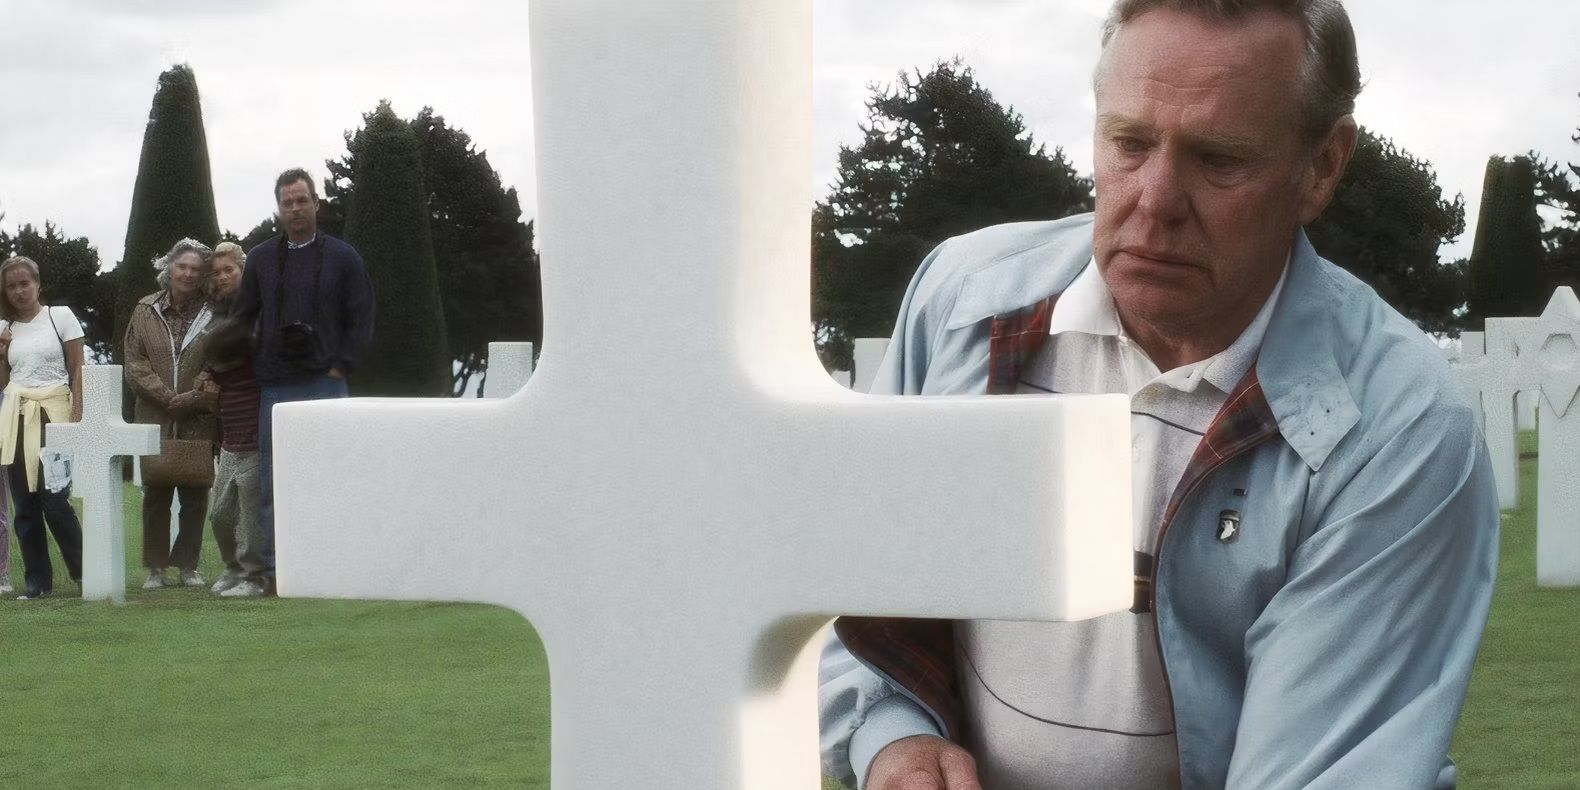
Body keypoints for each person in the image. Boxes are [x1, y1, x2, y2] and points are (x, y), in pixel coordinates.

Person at [818, 2, 1500, 789]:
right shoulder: (961, 303)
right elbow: (862, 574)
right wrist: (894, 733)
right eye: (1130, 143)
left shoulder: (1397, 427)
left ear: (1321, 166)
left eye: (1219, 159)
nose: (1156, 198)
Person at [232, 169, 375, 587]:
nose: (295, 209)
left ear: (317, 203)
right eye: (287, 203)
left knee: (335, 477)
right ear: (278, 209)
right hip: (276, 386)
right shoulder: (260, 259)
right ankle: (278, 575)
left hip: (326, 383)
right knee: (273, 483)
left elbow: (362, 317)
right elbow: (242, 319)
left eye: (302, 200)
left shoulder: (344, 257)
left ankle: (338, 569)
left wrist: (341, 366)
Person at [124, 238, 218, 589]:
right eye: (182, 266)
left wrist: (193, 397)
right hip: (155, 414)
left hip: (197, 416)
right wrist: (168, 398)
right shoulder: (144, 309)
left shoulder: (213, 312)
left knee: (195, 494)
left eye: (196, 268)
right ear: (169, 268)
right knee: (156, 494)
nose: (188, 273)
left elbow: (219, 360)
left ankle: (188, 566)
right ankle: (155, 568)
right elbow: (135, 363)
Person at [0, 255, 86, 600]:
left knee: (56, 501)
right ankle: (37, 581)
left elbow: (78, 367)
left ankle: (84, 573)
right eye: (12, 286)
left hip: (55, 415)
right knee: (25, 503)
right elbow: (4, 383)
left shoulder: (59, 317)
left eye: (25, 283)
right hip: (17, 417)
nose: (20, 291)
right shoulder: (6, 328)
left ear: (38, 283)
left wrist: (79, 416)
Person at [198, 316, 267, 598]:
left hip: (254, 450)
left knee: (251, 521)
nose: (211, 365)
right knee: (220, 515)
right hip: (229, 448)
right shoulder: (218, 375)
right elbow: (206, 391)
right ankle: (232, 567)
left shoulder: (257, 372)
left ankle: (254, 577)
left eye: (216, 360)